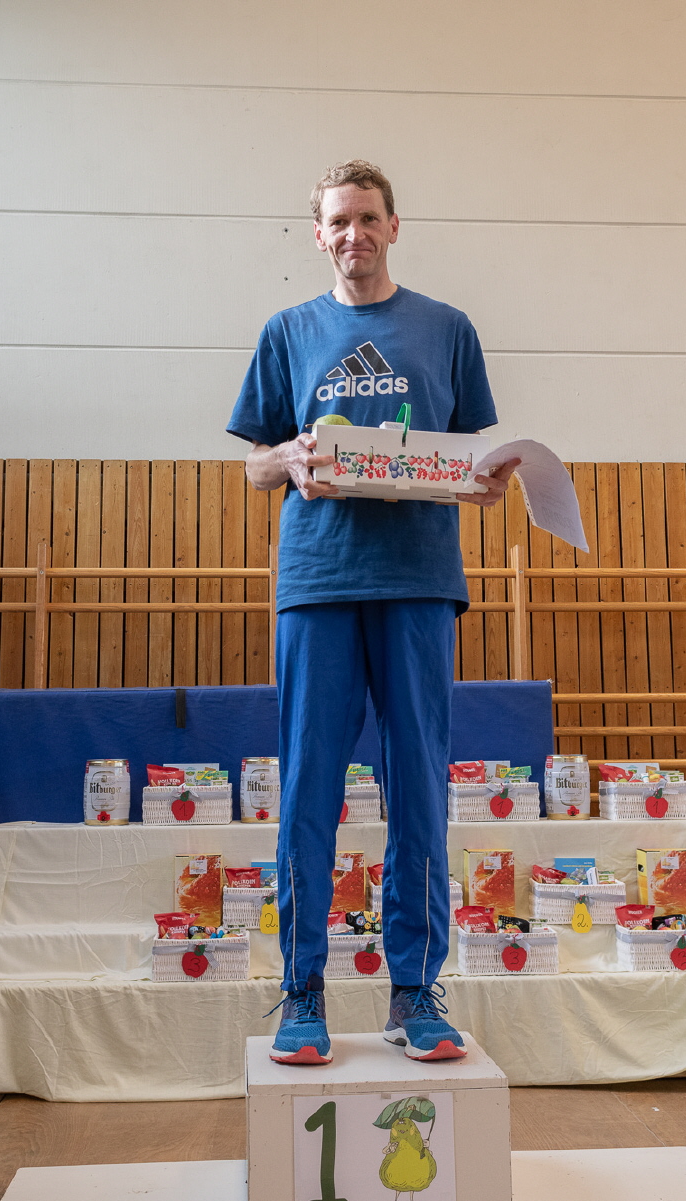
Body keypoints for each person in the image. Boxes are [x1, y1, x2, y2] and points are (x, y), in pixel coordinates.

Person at [228, 160, 519, 1066]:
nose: (352, 234)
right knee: (308, 791)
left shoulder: (446, 329)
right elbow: (253, 465)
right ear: (318, 235)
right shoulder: (288, 331)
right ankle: (302, 994)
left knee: (418, 790)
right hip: (317, 580)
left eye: (366, 218)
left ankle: (413, 993)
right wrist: (288, 458)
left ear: (394, 227)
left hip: (419, 579)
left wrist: (486, 485)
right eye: (337, 222)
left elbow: (464, 460)